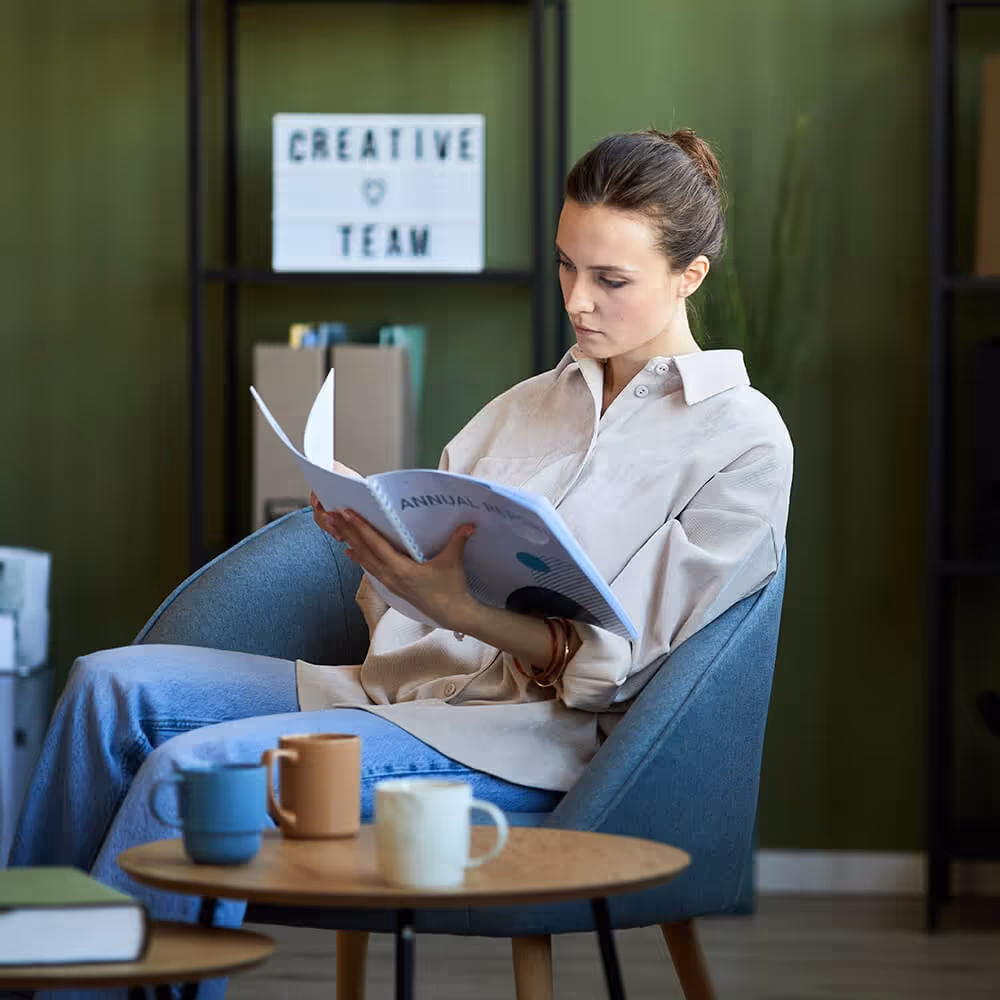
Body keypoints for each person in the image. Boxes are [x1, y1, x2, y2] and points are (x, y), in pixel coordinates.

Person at [7, 126, 792, 999]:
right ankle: (29, 971)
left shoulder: (742, 441)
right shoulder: (521, 409)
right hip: (398, 690)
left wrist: (462, 611)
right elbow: (412, 593)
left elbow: (626, 666)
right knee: (108, 687)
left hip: (529, 747)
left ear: (691, 275)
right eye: (567, 265)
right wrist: (376, 545)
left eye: (611, 280)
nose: (577, 301)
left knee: (193, 770)